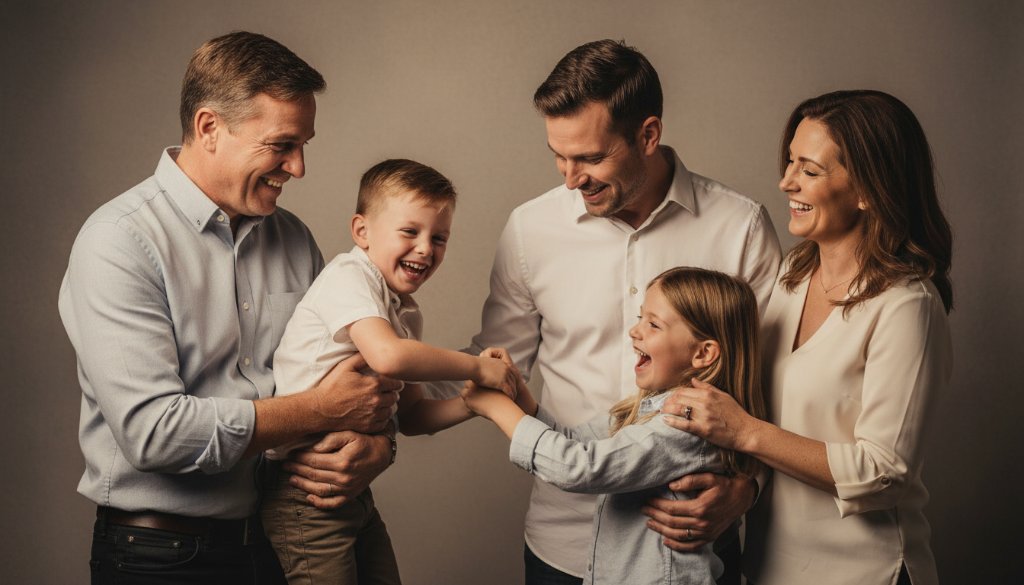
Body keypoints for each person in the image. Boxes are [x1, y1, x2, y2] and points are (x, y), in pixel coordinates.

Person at [287, 39, 782, 583]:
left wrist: (748, 488)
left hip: (686, 550)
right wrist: (363, 424)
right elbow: (495, 364)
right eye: (559, 156)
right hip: (564, 543)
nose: (570, 179)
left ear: (648, 135)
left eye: (590, 158)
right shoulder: (532, 228)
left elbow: (771, 389)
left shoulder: (740, 228)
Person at [58, 32, 400, 585]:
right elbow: (153, 432)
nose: (299, 167)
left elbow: (354, 383)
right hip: (160, 558)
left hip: (280, 542)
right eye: (282, 145)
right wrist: (321, 410)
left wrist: (377, 447)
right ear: (209, 128)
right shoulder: (118, 241)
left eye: (303, 144)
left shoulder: (295, 239)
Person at [662, 90, 953, 585]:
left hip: (866, 572)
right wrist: (744, 487)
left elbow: (884, 472)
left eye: (810, 170)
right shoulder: (792, 277)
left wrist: (744, 431)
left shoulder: (907, 306)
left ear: (867, 191)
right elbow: (780, 424)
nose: (786, 181)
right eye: (790, 161)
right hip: (773, 565)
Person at [261, 159, 517, 585]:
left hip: (354, 489)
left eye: (439, 238)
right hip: (305, 494)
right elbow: (388, 358)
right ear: (362, 231)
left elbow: (411, 416)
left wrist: (472, 402)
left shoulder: (404, 313)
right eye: (409, 231)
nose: (425, 249)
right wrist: (477, 366)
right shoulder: (349, 277)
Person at [462, 267, 766, 585]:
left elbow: (577, 467)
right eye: (640, 318)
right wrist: (519, 398)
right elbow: (573, 440)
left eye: (653, 324)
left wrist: (496, 408)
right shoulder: (653, 406)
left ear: (703, 353)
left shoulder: (683, 426)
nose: (635, 331)